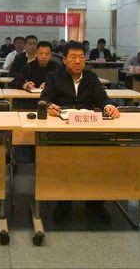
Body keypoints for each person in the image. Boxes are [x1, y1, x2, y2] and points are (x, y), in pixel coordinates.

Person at [41, 41, 120, 223]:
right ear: (64, 59)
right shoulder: (54, 77)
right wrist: (49, 106)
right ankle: (63, 202)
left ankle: (95, 203)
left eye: (81, 57)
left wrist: (108, 106)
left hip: (88, 127)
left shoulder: (91, 77)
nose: (78, 61)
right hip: (63, 128)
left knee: (101, 158)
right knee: (63, 160)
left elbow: (102, 98)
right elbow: (45, 98)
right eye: (73, 57)